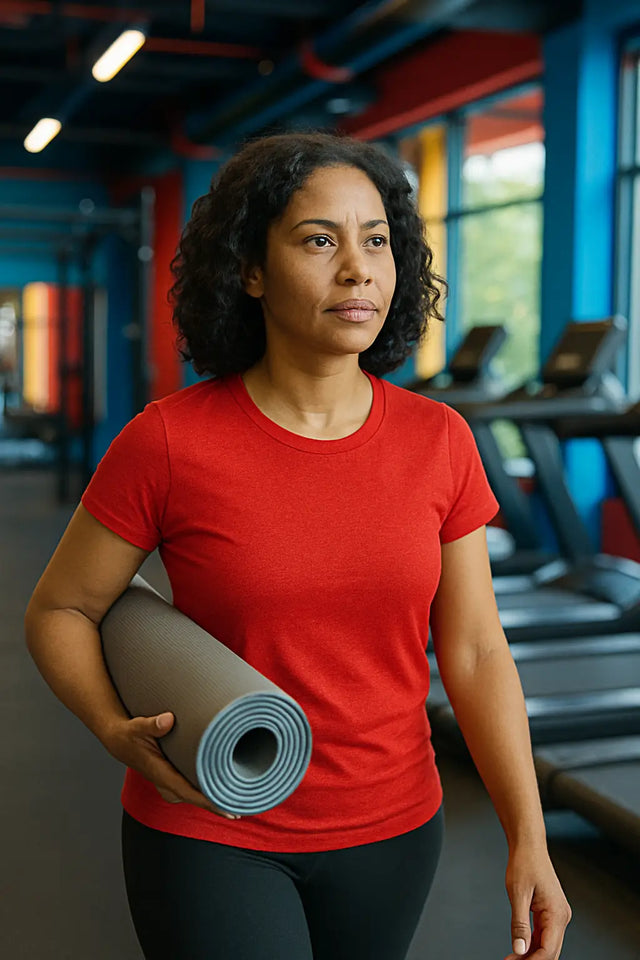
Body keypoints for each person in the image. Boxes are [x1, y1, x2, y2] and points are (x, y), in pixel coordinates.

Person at [24, 131, 571, 960]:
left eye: (377, 240)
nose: (357, 268)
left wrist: (528, 834)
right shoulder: (169, 441)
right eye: (320, 240)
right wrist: (109, 724)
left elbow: (474, 650)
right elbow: (61, 607)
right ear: (250, 271)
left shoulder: (440, 440)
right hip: (211, 822)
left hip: (393, 828)